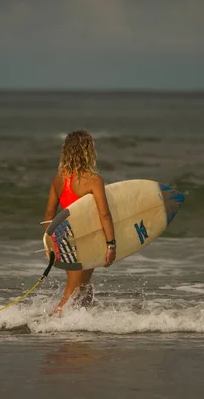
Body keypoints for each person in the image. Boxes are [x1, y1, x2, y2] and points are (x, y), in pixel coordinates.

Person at [43, 130, 116, 314]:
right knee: (72, 289)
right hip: (86, 237)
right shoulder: (93, 180)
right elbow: (104, 214)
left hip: (64, 237)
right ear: (88, 151)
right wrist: (111, 244)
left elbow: (50, 213)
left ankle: (80, 328)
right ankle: (49, 324)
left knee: (85, 289)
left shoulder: (59, 180)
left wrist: (50, 242)